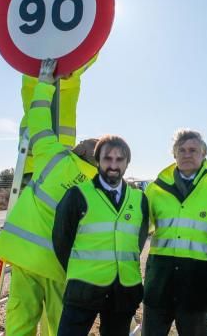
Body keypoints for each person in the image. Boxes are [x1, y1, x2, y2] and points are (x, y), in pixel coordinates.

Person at [0, 59, 98, 336]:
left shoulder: (55, 157)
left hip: (25, 258)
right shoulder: (95, 187)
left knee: (20, 320)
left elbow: (39, 120)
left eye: (87, 142)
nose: (82, 141)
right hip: (61, 267)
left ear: (85, 153)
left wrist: (44, 86)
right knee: (58, 325)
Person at [143, 129, 207, 335]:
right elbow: (138, 232)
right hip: (159, 283)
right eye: (182, 150)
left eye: (193, 150)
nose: (187, 154)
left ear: (204, 154)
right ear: (174, 154)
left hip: (198, 286)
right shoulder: (155, 189)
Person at [53, 135, 149, 336]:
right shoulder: (77, 195)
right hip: (83, 290)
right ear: (97, 161)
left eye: (119, 159)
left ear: (127, 163)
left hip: (123, 291)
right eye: (107, 158)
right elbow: (61, 241)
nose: (113, 165)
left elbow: (138, 242)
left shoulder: (140, 200)